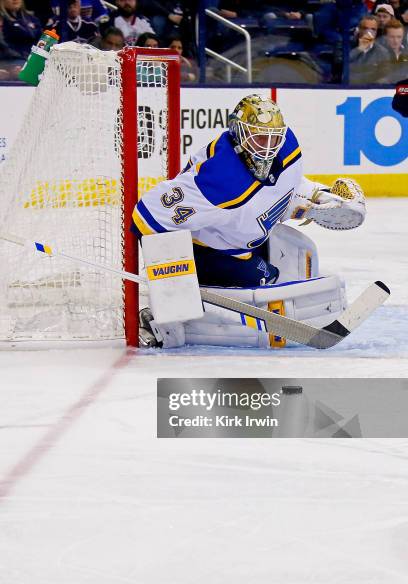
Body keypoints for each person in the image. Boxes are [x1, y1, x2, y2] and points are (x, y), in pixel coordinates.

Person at [133, 95, 366, 348]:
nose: (268, 147)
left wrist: (318, 196)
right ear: (239, 134)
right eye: (259, 138)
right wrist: (172, 291)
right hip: (212, 251)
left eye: (273, 137)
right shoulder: (220, 181)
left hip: (246, 236)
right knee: (270, 281)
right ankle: (179, 315)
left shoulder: (287, 144)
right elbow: (145, 218)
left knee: (301, 253)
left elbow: (283, 188)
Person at [349, 15, 389, 83]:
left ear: (377, 31)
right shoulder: (347, 46)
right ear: (359, 29)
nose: (369, 32)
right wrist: (359, 49)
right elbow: (343, 67)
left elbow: (385, 77)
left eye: (373, 29)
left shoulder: (383, 52)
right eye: (365, 28)